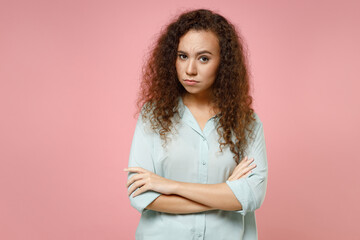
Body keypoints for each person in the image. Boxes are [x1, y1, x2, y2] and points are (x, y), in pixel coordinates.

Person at [125, 9, 268, 240]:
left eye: (203, 58)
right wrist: (225, 192)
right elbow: (141, 196)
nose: (190, 69)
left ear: (224, 62)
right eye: (182, 56)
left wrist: (170, 185)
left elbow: (251, 196)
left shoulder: (247, 123)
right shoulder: (152, 116)